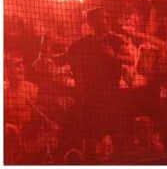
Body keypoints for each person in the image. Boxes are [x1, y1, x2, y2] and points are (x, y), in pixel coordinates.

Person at [50, 8, 133, 146]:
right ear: (92, 22)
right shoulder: (83, 43)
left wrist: (114, 56)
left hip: (110, 95)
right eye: (102, 18)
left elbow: (130, 60)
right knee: (92, 137)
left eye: (107, 17)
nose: (107, 21)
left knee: (112, 134)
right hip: (89, 98)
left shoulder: (115, 40)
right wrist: (47, 51)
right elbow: (61, 59)